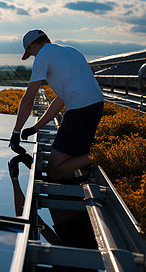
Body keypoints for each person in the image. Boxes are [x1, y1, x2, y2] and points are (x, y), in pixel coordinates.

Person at [10, 29, 104, 181]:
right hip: (95, 106)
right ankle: (93, 156)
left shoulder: (43, 55)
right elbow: (60, 100)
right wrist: (36, 128)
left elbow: (29, 98)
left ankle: (104, 153)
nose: (33, 57)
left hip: (80, 111)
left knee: (54, 172)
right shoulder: (70, 51)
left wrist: (16, 132)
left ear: (31, 47)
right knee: (67, 159)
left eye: (31, 53)